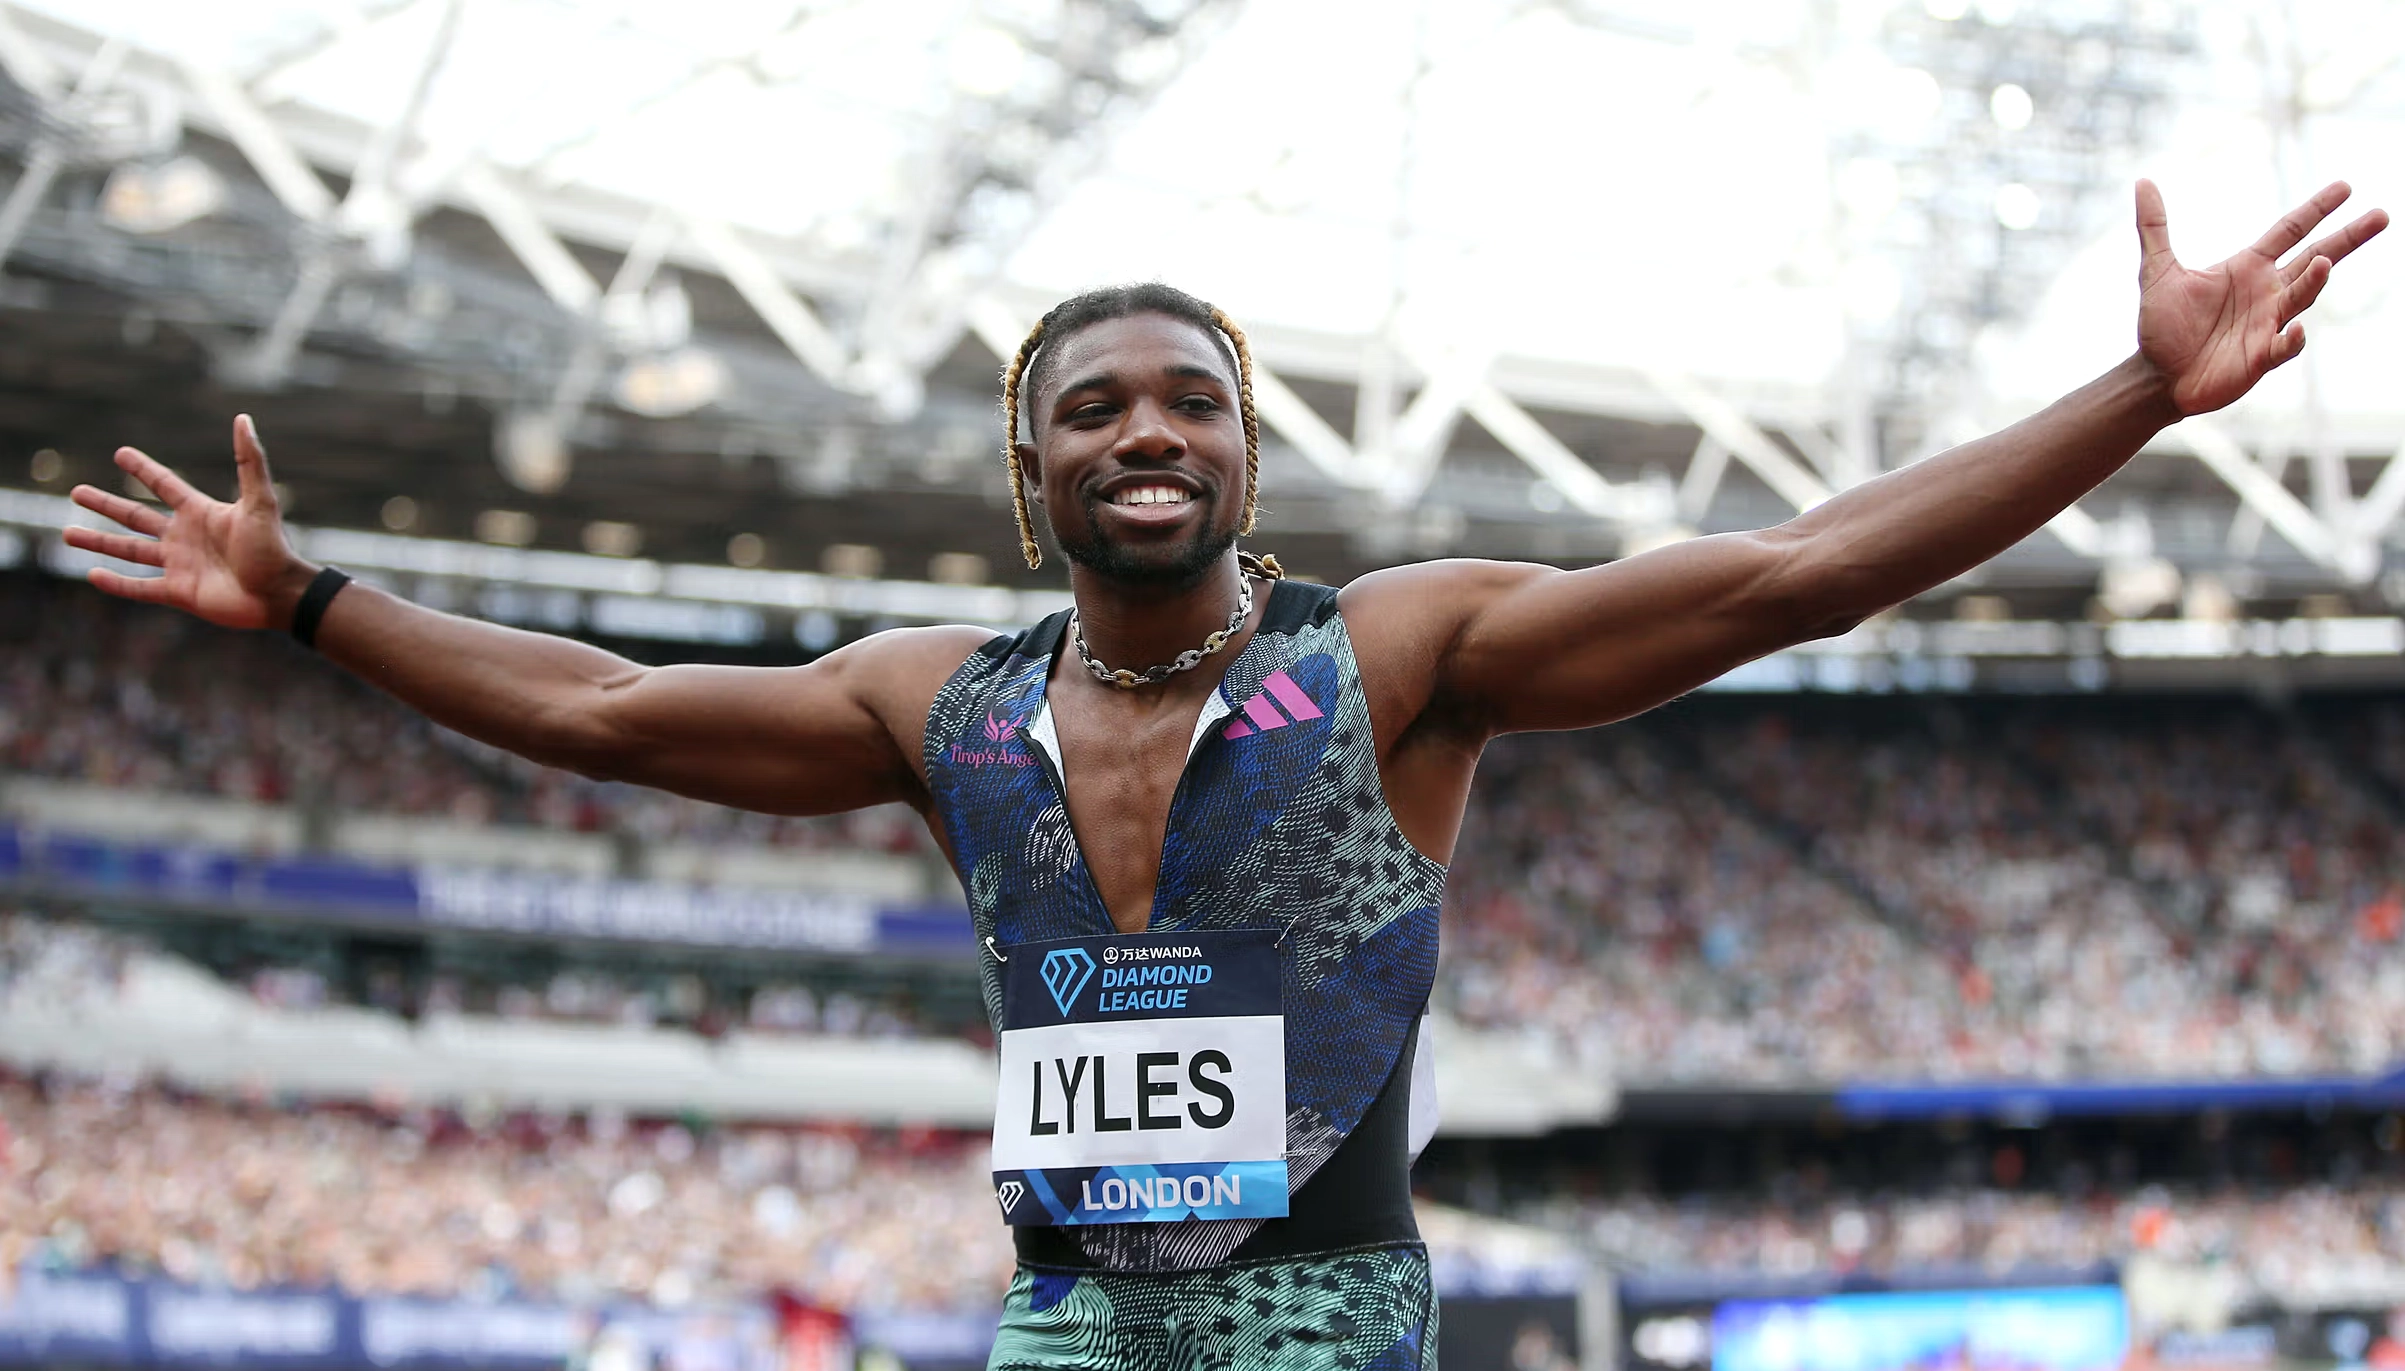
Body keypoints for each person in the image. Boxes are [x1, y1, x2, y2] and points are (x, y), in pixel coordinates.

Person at [66, 180, 2385, 1369]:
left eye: (1191, 398)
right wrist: (310, 601)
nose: (1147, 430)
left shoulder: (1395, 661)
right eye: (1092, 407)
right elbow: (595, 708)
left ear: (1247, 450)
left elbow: (1789, 573)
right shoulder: (935, 704)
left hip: (1326, 1328)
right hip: (1065, 1327)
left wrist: (2132, 395)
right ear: (1030, 474)